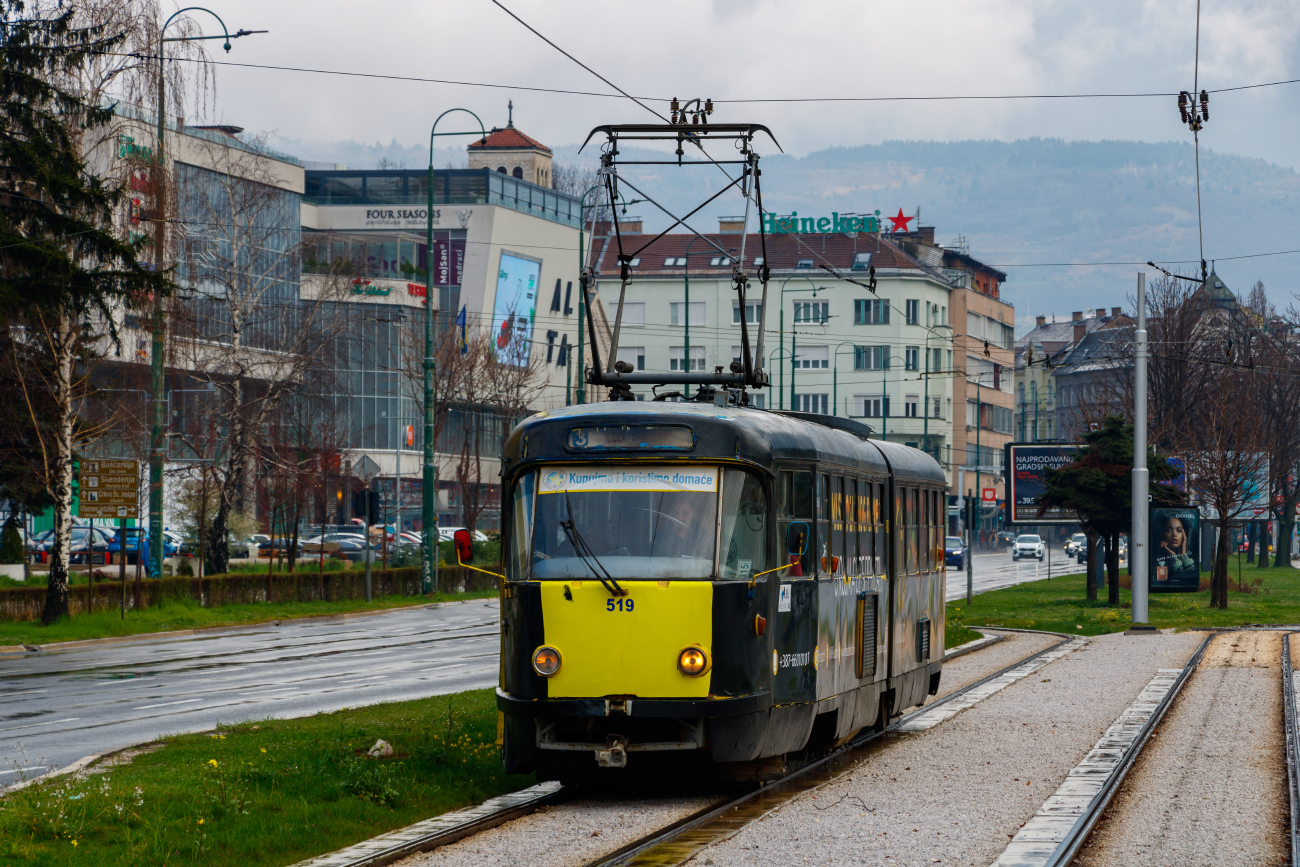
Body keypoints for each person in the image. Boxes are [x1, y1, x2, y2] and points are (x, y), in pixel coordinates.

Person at [1154, 514, 1197, 584]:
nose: (1174, 534)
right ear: (1162, 533)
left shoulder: (1191, 555)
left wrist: (1183, 550)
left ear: (1184, 534)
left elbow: (1189, 578)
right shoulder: (1157, 558)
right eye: (1168, 530)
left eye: (1179, 530)